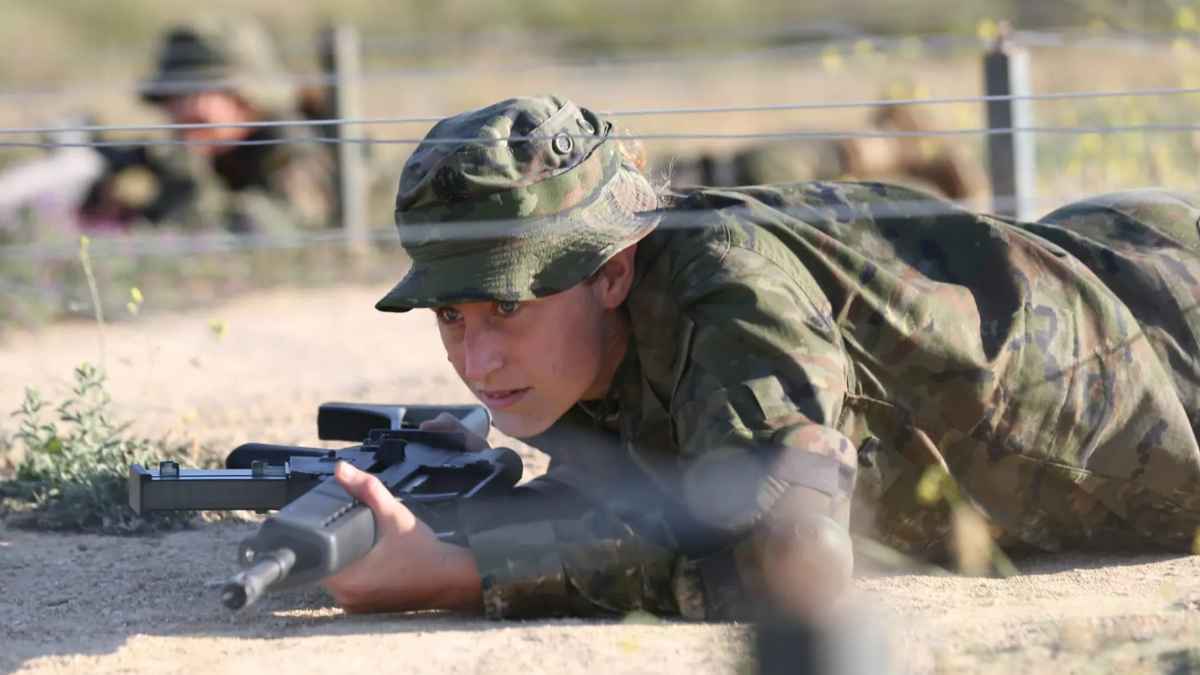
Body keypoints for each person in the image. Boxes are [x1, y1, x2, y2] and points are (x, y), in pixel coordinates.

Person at [320, 95, 1200, 621]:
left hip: (1173, 360)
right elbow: (673, 494)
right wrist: (457, 513)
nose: (476, 357)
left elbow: (797, 562)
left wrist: (467, 572)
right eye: (449, 314)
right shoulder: (603, 329)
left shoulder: (728, 297)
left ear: (613, 270)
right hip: (1099, 259)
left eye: (507, 306)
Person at [80, 17, 335, 233]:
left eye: (194, 94)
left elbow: (276, 231)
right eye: (171, 98)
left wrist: (190, 185)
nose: (179, 110)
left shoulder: (291, 148)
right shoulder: (212, 149)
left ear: (245, 98)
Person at [662, 104, 987, 202]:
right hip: (735, 177)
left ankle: (907, 143)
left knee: (831, 156)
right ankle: (910, 146)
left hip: (745, 177)